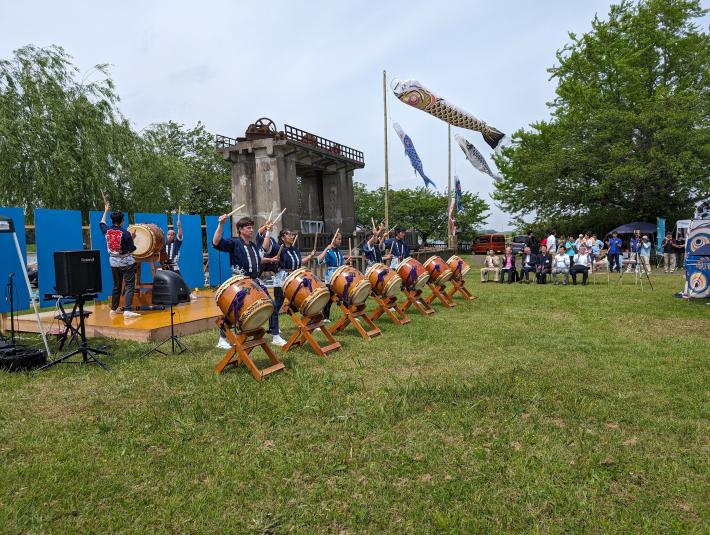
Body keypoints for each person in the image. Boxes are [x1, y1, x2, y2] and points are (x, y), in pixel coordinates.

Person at [212, 214, 267, 349]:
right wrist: (221, 224)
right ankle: (223, 338)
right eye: (248, 228)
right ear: (241, 230)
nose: (251, 230)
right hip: (240, 283)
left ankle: (248, 332)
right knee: (234, 310)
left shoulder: (253, 246)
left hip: (254, 282)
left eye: (252, 228)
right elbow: (216, 242)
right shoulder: (234, 243)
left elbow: (260, 257)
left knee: (265, 304)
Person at [267, 229, 316, 346]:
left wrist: (309, 256)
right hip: (282, 279)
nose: (292, 236)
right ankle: (274, 334)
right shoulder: (278, 248)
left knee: (302, 300)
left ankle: (309, 321)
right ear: (283, 237)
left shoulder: (295, 249)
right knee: (276, 305)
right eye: (289, 234)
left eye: (292, 234)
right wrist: (267, 231)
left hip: (295, 278)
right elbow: (267, 249)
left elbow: (298, 262)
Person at [99, 200, 140, 318]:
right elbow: (131, 249)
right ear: (122, 221)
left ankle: (114, 308)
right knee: (129, 286)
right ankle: (127, 310)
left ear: (112, 221)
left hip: (113, 263)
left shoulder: (107, 231)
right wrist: (132, 238)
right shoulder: (126, 233)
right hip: (126, 263)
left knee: (117, 285)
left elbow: (102, 222)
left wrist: (106, 210)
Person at [318, 231, 350, 322]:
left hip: (339, 276)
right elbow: (319, 261)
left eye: (341, 239)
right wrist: (326, 249)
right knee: (329, 298)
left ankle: (348, 313)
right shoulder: (329, 251)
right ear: (333, 239)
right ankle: (325, 317)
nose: (340, 241)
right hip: (331, 277)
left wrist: (347, 261)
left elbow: (341, 264)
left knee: (345, 294)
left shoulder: (339, 251)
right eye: (338, 239)